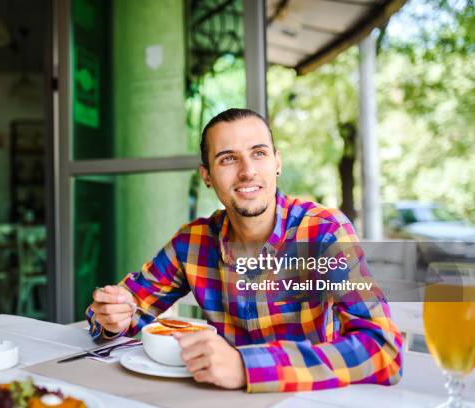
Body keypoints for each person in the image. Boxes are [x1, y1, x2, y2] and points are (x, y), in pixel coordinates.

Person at [86, 108, 403, 393]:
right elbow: (128, 306)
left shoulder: (324, 231)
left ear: (276, 162)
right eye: (227, 158)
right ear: (207, 176)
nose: (247, 170)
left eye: (259, 153)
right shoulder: (192, 241)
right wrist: (112, 317)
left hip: (309, 399)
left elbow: (383, 349)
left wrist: (246, 366)